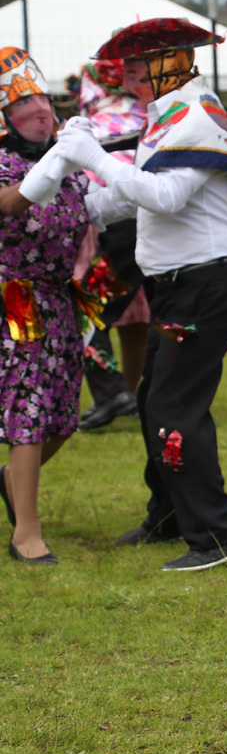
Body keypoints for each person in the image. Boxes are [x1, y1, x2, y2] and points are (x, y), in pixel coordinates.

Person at [37, 18, 227, 571]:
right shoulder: (167, 117)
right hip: (179, 286)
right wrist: (79, 206)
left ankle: (219, 534)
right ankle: (172, 517)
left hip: (204, 284)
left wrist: (93, 158)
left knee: (175, 406)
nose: (126, 75)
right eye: (125, 66)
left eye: (138, 64)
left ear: (172, 61)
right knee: (154, 402)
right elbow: (137, 196)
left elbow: (167, 196)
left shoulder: (197, 115)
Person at [0, 48, 91, 565]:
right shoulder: (5, 163)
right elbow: (13, 203)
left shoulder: (68, 164)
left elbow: (97, 209)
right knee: (29, 407)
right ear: (5, 118)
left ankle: (14, 480)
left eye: (43, 102)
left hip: (59, 298)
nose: (39, 111)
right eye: (24, 106)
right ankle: (26, 534)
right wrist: (61, 159)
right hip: (15, 297)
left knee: (63, 414)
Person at [73, 58, 151, 431]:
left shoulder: (94, 123)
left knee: (82, 311)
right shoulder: (152, 115)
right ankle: (131, 395)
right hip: (151, 227)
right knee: (141, 319)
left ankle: (111, 393)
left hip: (113, 231)